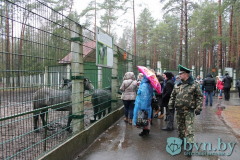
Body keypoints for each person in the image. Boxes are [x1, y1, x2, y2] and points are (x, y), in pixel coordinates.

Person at [168, 64, 203, 155]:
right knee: (180, 128)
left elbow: (199, 97)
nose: (179, 75)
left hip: (189, 110)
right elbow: (173, 96)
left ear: (187, 74)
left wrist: (198, 108)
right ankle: (181, 141)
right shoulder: (177, 84)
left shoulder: (194, 84)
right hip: (179, 110)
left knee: (189, 128)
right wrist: (170, 106)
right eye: (179, 73)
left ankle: (189, 146)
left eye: (181, 73)